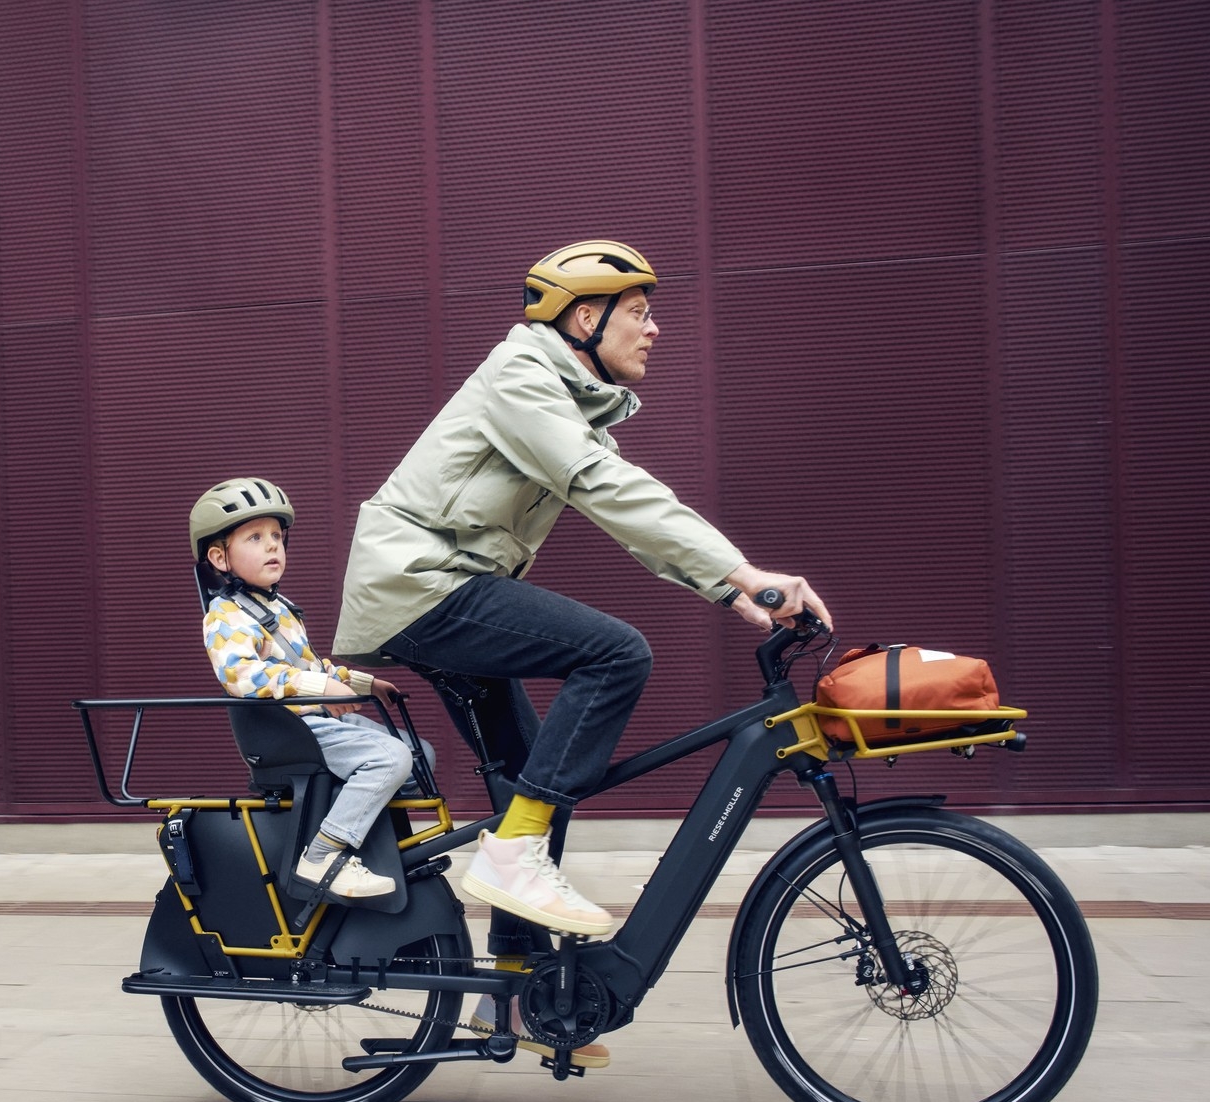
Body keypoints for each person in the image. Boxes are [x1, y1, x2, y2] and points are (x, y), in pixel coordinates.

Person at [334, 240, 833, 942]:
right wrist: (744, 569)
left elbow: (632, 516)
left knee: (541, 776)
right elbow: (605, 487)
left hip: (437, 585)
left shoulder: (564, 400)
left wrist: (728, 591)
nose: (654, 328)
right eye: (638, 312)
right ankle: (512, 858)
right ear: (585, 319)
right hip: (419, 582)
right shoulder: (520, 376)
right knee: (616, 654)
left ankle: (517, 988)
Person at [193, 478, 421, 900]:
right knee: (391, 756)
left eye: (277, 536)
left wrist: (365, 683)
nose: (272, 546)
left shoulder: (279, 609)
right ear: (219, 557)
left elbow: (314, 666)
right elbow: (241, 675)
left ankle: (370, 842)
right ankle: (323, 855)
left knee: (419, 754)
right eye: (256, 537)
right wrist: (319, 686)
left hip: (311, 721)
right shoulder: (224, 615)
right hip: (285, 732)